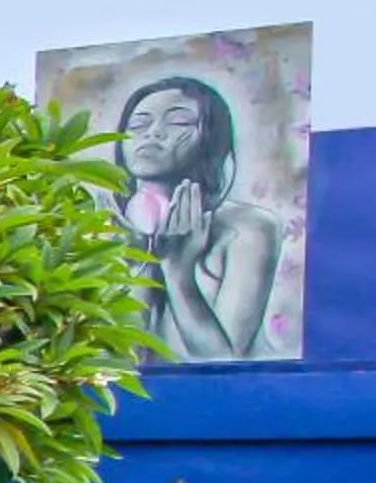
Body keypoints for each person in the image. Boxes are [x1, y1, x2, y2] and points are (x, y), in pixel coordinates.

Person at [112, 75, 283, 361]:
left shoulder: (249, 228)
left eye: (178, 122)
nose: (152, 134)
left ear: (211, 137)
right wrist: (138, 263)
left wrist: (177, 272)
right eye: (138, 124)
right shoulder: (106, 229)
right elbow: (122, 360)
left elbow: (222, 364)